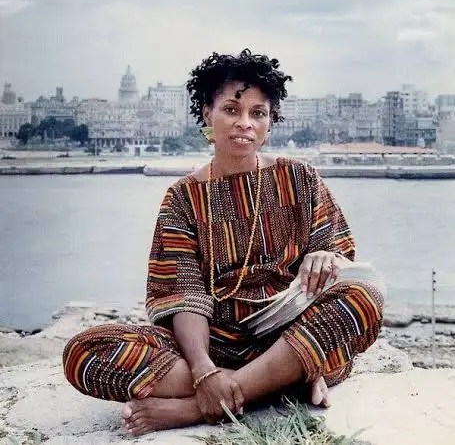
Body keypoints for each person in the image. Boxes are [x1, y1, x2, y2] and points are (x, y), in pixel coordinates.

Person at [63, 49, 383, 437]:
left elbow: (338, 255)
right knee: (83, 352)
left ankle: (200, 407)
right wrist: (203, 371)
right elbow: (184, 295)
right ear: (207, 114)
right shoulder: (183, 198)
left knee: (363, 298)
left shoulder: (300, 178)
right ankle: (274, 384)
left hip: (288, 334)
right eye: (231, 110)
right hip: (213, 342)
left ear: (269, 122)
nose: (244, 123)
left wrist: (324, 254)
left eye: (258, 113)